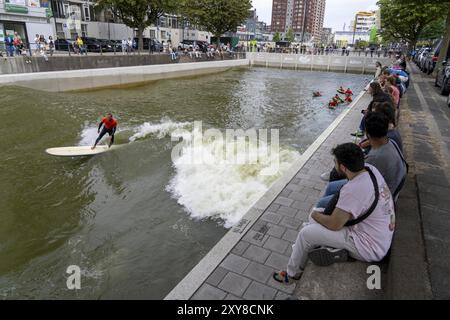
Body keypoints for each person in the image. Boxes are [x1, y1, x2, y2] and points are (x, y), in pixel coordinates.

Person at [273, 143, 395, 284]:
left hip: (370, 246)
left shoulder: (353, 190)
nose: (334, 165)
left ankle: (292, 274)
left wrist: (315, 215)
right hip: (375, 231)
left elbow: (334, 224)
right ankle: (314, 247)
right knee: (316, 216)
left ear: (343, 167)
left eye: (335, 162)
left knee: (306, 232)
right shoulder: (370, 170)